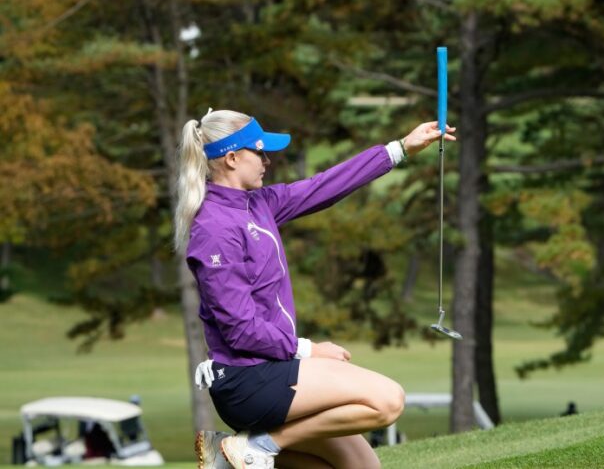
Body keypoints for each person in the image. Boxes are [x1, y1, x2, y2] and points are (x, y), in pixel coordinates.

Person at [176, 109, 456, 469]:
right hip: (247, 379)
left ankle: (231, 458)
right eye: (259, 152)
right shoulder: (214, 228)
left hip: (272, 367)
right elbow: (240, 329)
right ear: (231, 159)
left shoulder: (258, 204)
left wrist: (400, 148)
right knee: (388, 401)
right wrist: (308, 350)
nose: (267, 161)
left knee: (364, 467)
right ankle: (259, 446)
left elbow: (323, 187)